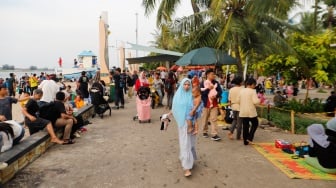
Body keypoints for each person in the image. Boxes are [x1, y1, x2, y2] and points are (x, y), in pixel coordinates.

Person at [172, 78, 197, 177]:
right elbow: (174, 109)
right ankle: (186, 167)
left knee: (191, 142)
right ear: (182, 85)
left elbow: (197, 108)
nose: (186, 86)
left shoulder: (192, 95)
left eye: (188, 84)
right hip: (182, 123)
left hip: (192, 122)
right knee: (185, 143)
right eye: (185, 84)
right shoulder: (177, 96)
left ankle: (186, 158)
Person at [200, 69, 222, 141]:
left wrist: (216, 96)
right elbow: (201, 93)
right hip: (206, 103)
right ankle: (204, 131)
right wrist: (208, 89)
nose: (213, 75)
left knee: (214, 119)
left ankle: (214, 134)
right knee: (205, 118)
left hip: (214, 103)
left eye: (214, 74)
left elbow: (220, 91)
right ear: (207, 75)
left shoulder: (216, 83)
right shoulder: (203, 83)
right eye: (212, 74)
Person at [238, 78, 260, 145]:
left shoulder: (241, 91)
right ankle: (250, 137)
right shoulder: (252, 91)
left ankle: (245, 141)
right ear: (252, 84)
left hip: (243, 110)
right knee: (255, 123)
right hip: (251, 111)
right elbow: (255, 101)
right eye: (254, 85)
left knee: (245, 126)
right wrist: (259, 100)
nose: (254, 86)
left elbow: (238, 100)